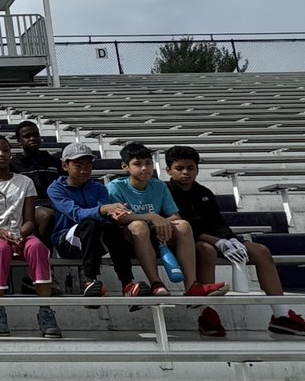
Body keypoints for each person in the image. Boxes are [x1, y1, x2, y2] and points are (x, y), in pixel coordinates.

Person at [164, 146, 305, 337]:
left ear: (197, 169)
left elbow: (218, 222)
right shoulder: (164, 191)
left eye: (190, 168)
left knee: (260, 250)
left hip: (216, 238)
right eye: (180, 168)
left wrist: (232, 240)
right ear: (169, 170)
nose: (186, 172)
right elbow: (181, 226)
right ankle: (207, 313)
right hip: (186, 242)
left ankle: (280, 315)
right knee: (206, 250)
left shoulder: (204, 192)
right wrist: (218, 241)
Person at [106, 142, 227, 299]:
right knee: (138, 225)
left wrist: (161, 223)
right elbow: (120, 219)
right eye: (138, 164)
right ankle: (156, 283)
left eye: (148, 163)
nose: (144, 168)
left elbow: (174, 216)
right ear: (125, 167)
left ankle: (192, 285)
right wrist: (152, 216)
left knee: (183, 225)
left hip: (157, 236)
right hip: (129, 240)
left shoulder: (159, 186)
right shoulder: (115, 187)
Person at [0, 135, 61, 338]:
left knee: (37, 247)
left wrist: (20, 233)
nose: (1, 154)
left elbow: (29, 220)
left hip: (21, 234)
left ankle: (46, 311)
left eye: (5, 150)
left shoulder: (25, 182)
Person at [47, 143, 136, 303]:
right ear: (65, 165)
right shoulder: (55, 189)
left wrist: (118, 211)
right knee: (89, 223)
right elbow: (76, 213)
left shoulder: (98, 188)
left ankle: (127, 283)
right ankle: (90, 280)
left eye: (88, 166)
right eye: (78, 165)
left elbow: (104, 216)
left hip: (94, 240)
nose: (84, 170)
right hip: (66, 241)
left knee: (111, 227)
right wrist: (104, 209)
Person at [10, 121, 59, 240]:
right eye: (27, 136)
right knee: (46, 215)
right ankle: (45, 253)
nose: (32, 138)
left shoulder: (54, 162)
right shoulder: (12, 166)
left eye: (35, 135)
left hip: (56, 203)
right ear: (18, 141)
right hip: (29, 206)